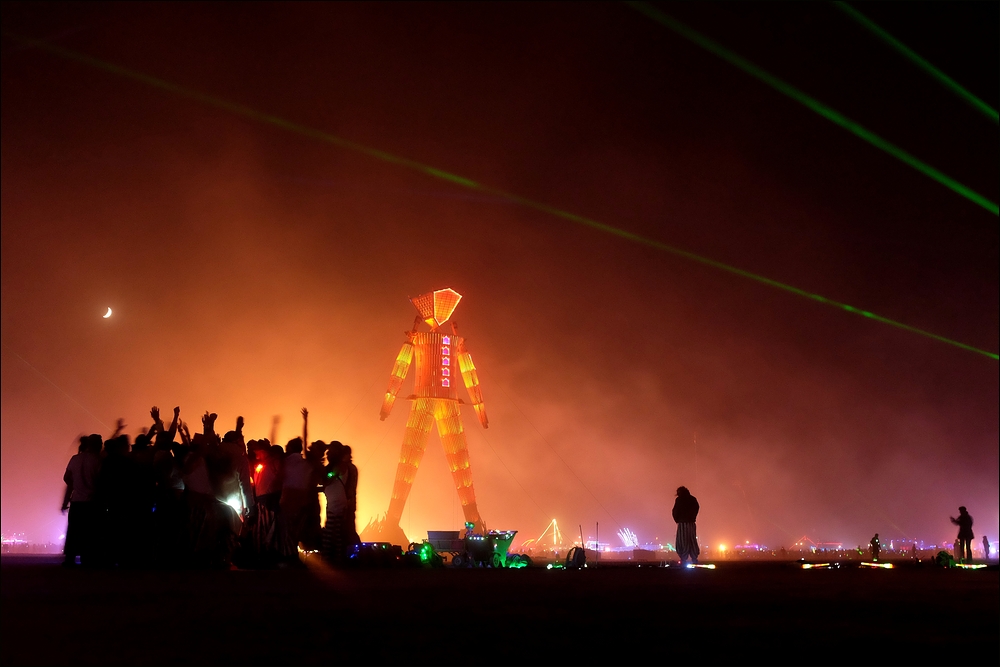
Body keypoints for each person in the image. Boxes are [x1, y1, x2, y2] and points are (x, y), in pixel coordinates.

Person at [62, 435, 102, 567]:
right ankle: (87, 560)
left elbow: (67, 477)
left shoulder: (75, 459)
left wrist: (76, 486)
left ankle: (70, 559)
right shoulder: (98, 460)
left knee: (73, 531)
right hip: (91, 501)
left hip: (76, 501)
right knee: (89, 532)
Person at [671, 486, 700, 565]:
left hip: (682, 523)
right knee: (692, 540)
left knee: (682, 541)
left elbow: (675, 511)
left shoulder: (679, 500)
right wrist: (692, 517)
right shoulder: (693, 499)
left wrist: (677, 520)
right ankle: (694, 558)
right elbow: (696, 508)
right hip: (691, 523)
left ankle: (683, 558)